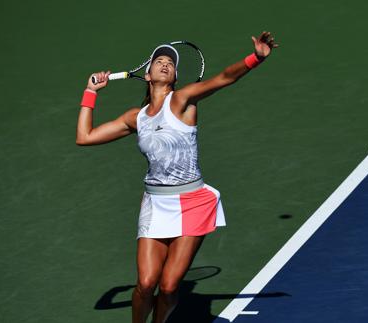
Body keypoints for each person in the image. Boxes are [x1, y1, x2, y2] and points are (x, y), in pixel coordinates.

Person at [76, 31, 277, 323]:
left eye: (171, 63)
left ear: (174, 76)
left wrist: (255, 58)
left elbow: (224, 78)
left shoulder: (183, 100)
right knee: (145, 284)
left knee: (168, 286)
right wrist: (91, 91)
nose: (166, 64)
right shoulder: (137, 117)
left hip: (193, 202)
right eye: (159, 60)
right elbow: (85, 137)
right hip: (155, 205)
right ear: (147, 74)